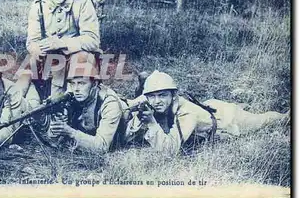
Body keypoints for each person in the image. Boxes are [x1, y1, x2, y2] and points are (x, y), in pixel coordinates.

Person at [123, 70, 290, 156]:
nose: (157, 101)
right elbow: (128, 136)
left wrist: (151, 123)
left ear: (174, 95)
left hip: (226, 118)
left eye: (162, 95)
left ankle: (287, 116)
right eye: (152, 97)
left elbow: (170, 150)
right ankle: (243, 104)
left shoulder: (186, 112)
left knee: (262, 120)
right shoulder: (156, 103)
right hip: (208, 106)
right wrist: (138, 116)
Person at [25, 0, 101, 98]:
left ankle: (80, 102)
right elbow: (32, 41)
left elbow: (93, 41)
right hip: (50, 57)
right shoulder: (38, 6)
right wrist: (37, 49)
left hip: (77, 54)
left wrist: (61, 43)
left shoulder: (81, 2)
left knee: (82, 59)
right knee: (27, 69)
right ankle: (26, 104)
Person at [40, 51, 125, 154]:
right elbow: (55, 141)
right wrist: (56, 127)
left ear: (94, 83)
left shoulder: (109, 103)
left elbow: (102, 147)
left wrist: (70, 132)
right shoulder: (71, 96)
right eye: (72, 83)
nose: (76, 89)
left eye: (81, 83)